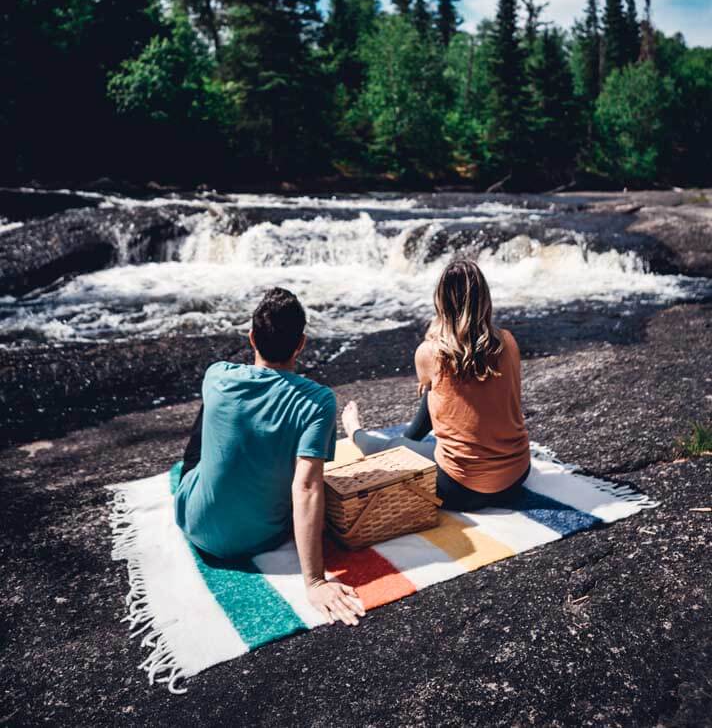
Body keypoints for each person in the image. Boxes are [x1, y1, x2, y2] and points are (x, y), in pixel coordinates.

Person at [174, 286, 365, 627]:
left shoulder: (216, 375)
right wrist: (316, 581)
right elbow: (306, 488)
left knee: (215, 419)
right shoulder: (318, 401)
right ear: (301, 343)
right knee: (299, 459)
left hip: (195, 522)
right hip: (260, 537)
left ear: (251, 338)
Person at [341, 258, 531, 511]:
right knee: (439, 393)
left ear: (440, 301)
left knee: (395, 447)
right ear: (485, 299)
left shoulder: (429, 353)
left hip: (461, 489)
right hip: (517, 476)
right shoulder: (508, 341)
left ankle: (356, 432)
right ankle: (407, 441)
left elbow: (431, 397)